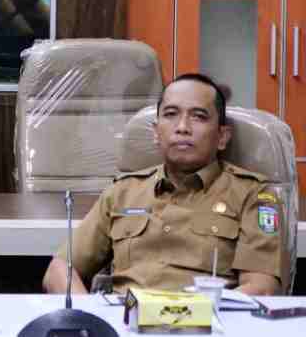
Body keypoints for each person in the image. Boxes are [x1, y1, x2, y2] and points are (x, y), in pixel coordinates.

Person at [42, 73, 283, 297]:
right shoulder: (122, 192)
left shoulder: (253, 194)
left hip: (209, 323)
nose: (182, 127)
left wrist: (184, 316)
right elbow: (59, 270)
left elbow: (261, 289)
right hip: (125, 322)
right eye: (170, 114)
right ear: (156, 133)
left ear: (222, 137)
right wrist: (89, 315)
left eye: (199, 116)